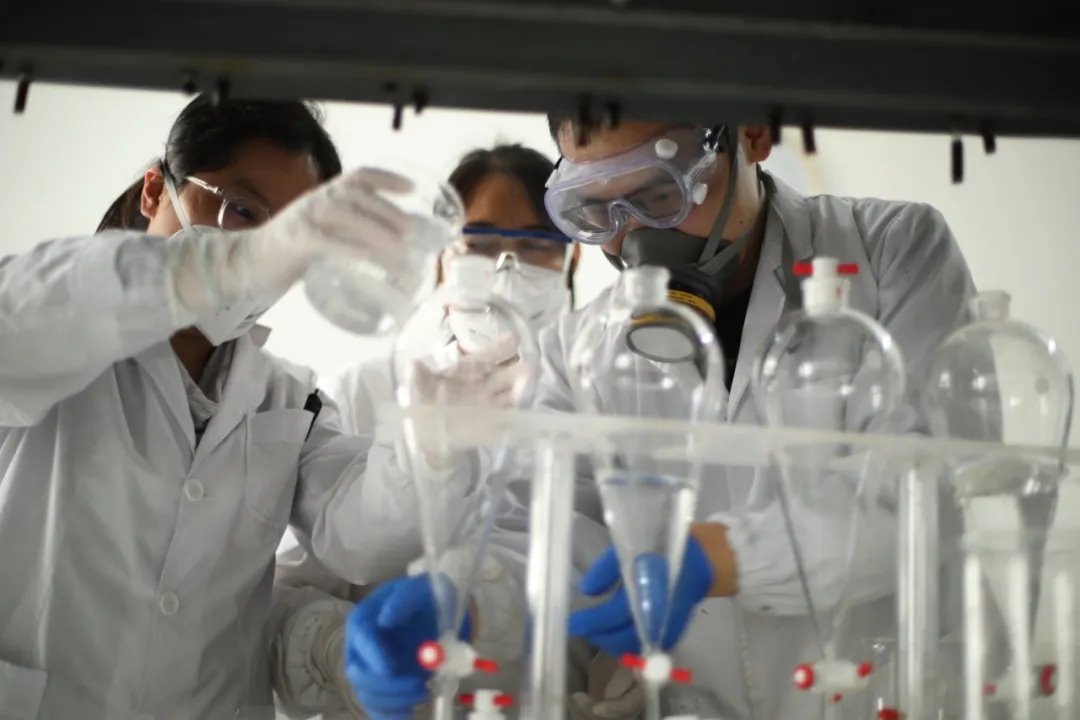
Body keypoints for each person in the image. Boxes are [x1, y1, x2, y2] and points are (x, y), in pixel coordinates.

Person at [343, 117, 977, 720]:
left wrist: (719, 555)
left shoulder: (889, 251)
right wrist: (464, 600)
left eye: (660, 194)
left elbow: (930, 492)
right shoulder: (577, 349)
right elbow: (553, 534)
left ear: (751, 136)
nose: (632, 237)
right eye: (597, 210)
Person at [0, 94, 475, 720]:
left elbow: (359, 538)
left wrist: (433, 443)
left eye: (291, 236)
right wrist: (214, 268)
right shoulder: (58, 334)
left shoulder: (289, 398)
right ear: (155, 190)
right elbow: (23, 310)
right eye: (242, 211)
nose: (261, 247)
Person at [269, 143, 607, 720]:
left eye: (535, 244)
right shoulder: (368, 391)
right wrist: (334, 650)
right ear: (442, 257)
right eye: (480, 244)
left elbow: (620, 567)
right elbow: (289, 582)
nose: (507, 266)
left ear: (572, 257)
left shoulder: (601, 397)